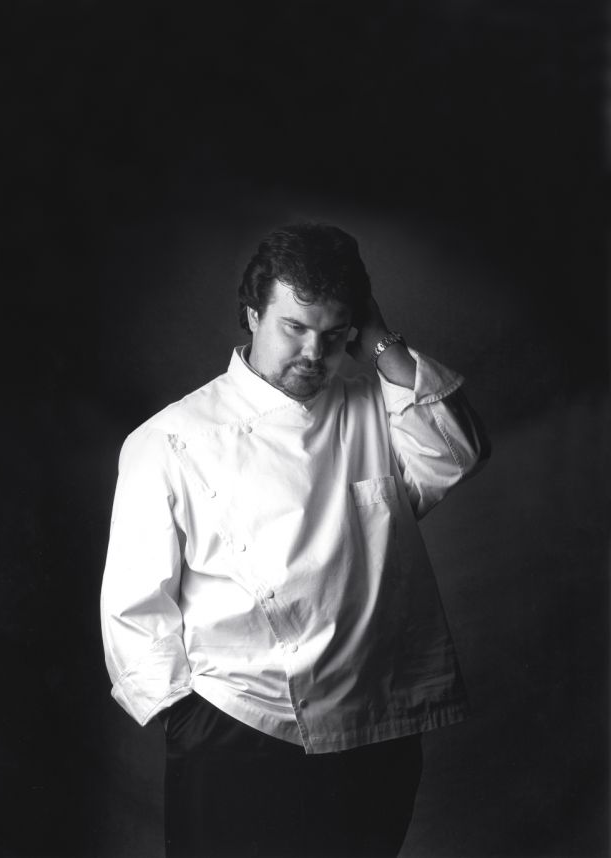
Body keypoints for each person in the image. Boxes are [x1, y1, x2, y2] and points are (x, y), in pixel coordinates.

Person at [100, 223, 490, 858]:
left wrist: (380, 336)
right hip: (241, 727)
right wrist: (190, 722)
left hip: (376, 727)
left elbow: (459, 452)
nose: (314, 351)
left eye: (334, 334)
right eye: (295, 327)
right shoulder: (168, 440)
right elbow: (133, 611)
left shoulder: (375, 406)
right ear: (253, 315)